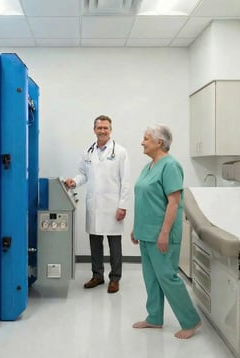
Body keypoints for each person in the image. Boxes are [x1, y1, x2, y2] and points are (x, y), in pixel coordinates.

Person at [130, 123, 201, 339]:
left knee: (168, 277)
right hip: (145, 232)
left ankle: (190, 321)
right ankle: (154, 318)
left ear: (160, 142)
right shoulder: (149, 166)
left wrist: (164, 233)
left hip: (162, 234)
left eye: (146, 138)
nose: (142, 142)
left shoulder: (171, 166)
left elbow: (174, 202)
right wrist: (136, 227)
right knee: (151, 278)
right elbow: (144, 199)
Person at [65, 115, 130, 294]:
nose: (102, 131)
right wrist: (74, 182)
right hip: (94, 205)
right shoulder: (88, 152)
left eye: (106, 128)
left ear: (110, 130)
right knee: (95, 242)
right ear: (94, 130)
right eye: (99, 128)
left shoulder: (120, 152)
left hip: (113, 205)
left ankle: (115, 278)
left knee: (114, 244)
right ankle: (97, 275)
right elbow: (83, 174)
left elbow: (125, 181)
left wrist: (123, 205)